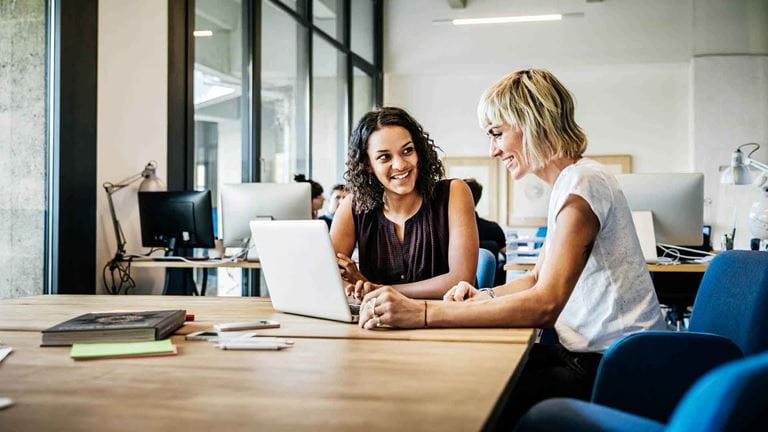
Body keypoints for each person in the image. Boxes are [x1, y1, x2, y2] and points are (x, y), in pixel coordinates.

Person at [354, 70, 665, 425]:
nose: (493, 150)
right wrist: (483, 296)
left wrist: (422, 313)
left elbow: (545, 303)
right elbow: (535, 278)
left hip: (613, 366)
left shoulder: (583, 184)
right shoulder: (573, 182)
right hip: (589, 356)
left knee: (465, 396)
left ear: (532, 123)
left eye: (498, 134)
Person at [330, 107, 478, 300]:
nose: (400, 165)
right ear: (368, 165)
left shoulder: (454, 193)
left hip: (444, 323)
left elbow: (460, 280)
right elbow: (329, 274)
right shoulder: (354, 206)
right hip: (377, 325)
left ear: (419, 152)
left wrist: (375, 289)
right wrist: (353, 286)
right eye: (385, 157)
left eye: (407, 151)